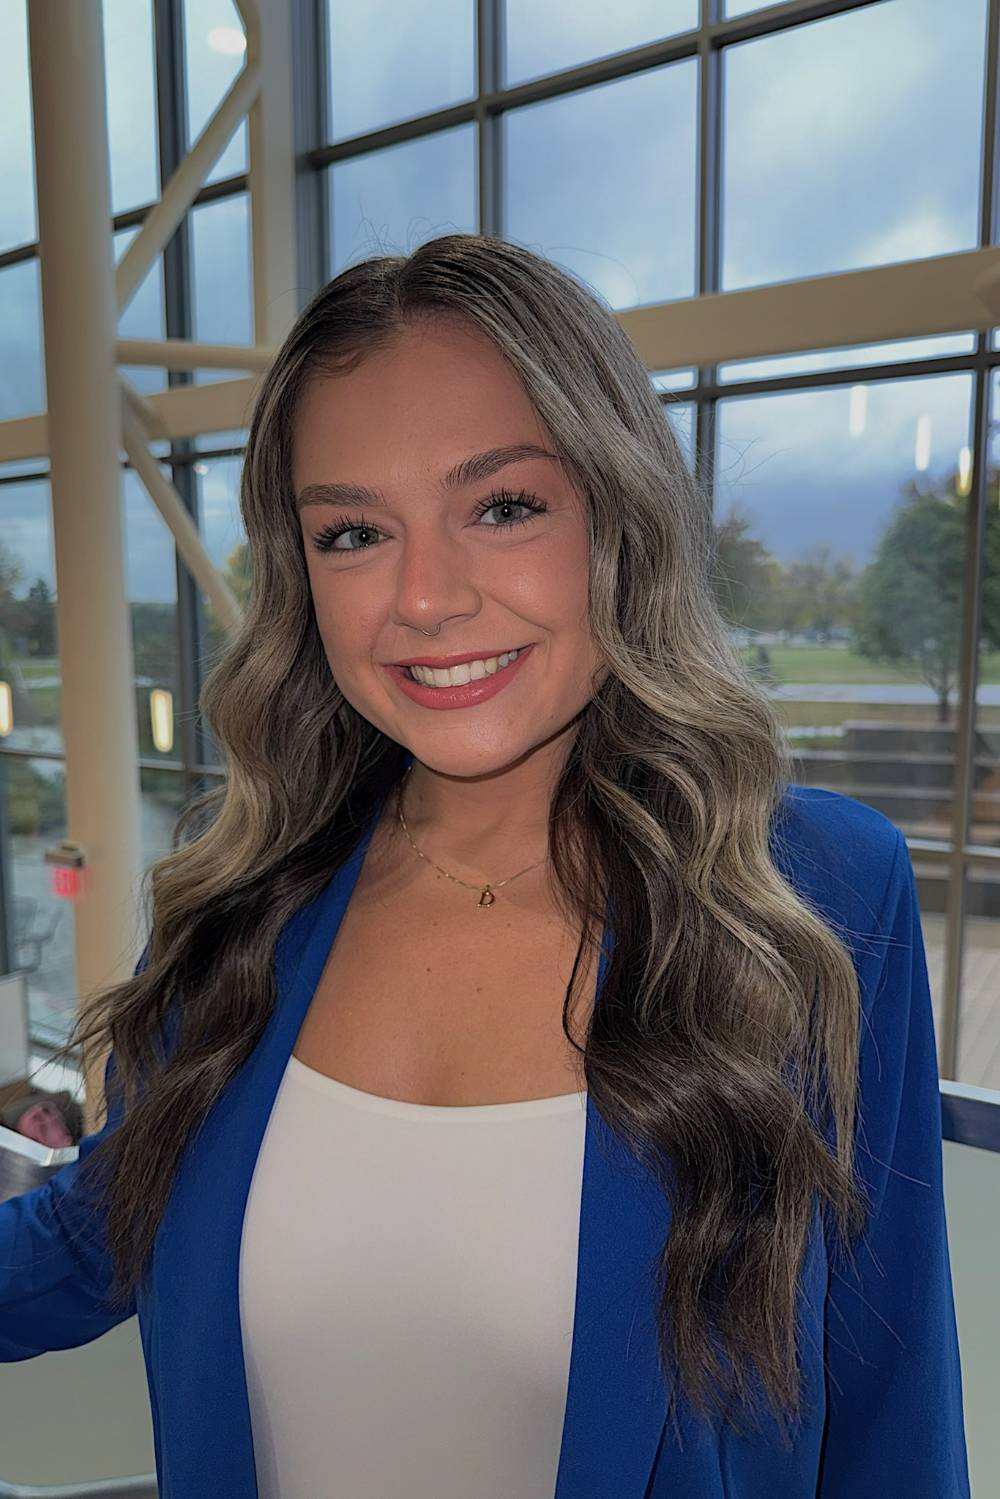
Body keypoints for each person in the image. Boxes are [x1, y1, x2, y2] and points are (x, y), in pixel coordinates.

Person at [0, 233, 970, 1499]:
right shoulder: (243, 905)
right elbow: (94, 1235)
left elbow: (891, 1406)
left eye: (502, 506)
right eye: (352, 531)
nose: (422, 597)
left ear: (618, 514)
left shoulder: (810, 898)